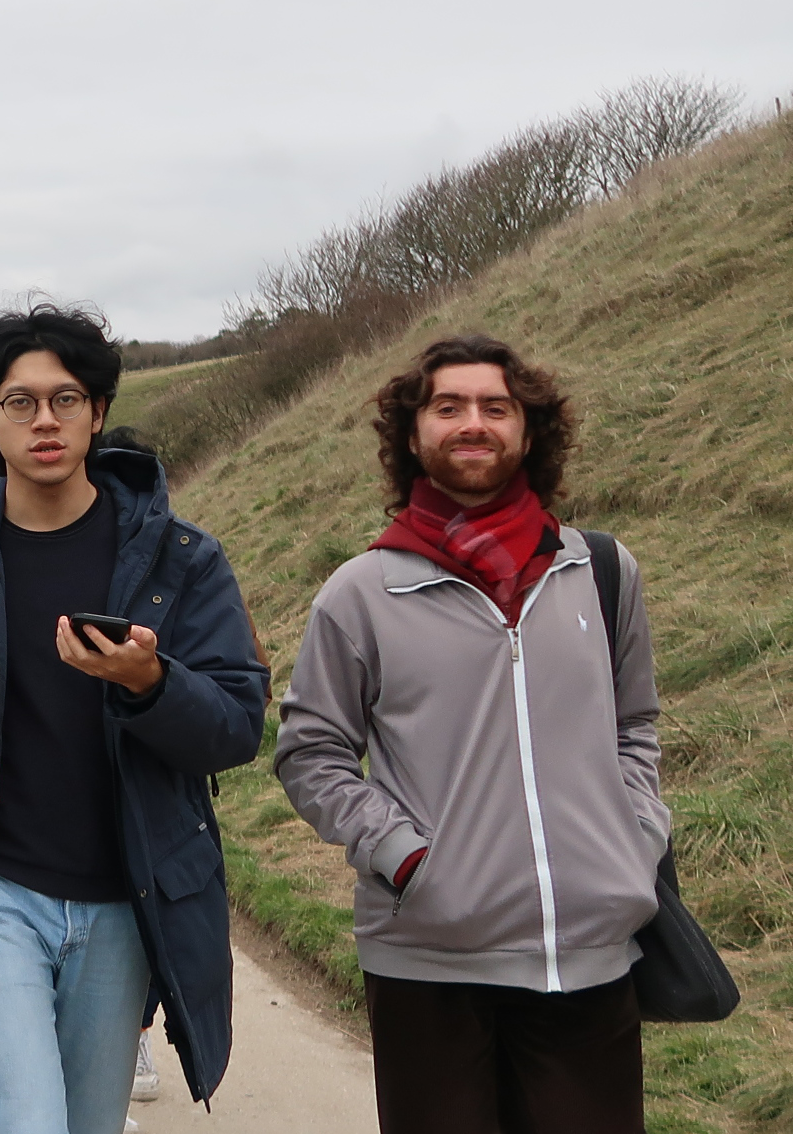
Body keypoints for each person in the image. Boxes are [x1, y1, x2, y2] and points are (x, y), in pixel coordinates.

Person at [0, 302, 270, 1134]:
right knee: (25, 1123)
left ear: (97, 412)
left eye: (66, 399)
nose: (44, 420)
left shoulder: (181, 558)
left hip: (125, 896)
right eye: (19, 402)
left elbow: (236, 724)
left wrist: (151, 681)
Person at [276, 335, 664, 1134]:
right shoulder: (361, 593)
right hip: (428, 961)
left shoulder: (601, 571)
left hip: (589, 951)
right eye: (447, 407)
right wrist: (408, 861)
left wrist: (635, 839)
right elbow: (311, 756)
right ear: (411, 435)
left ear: (528, 430)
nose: (472, 423)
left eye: (495, 406)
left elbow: (634, 724)